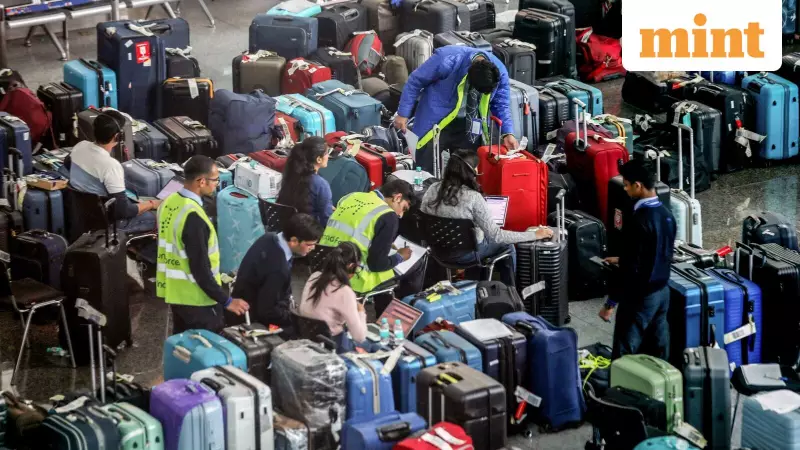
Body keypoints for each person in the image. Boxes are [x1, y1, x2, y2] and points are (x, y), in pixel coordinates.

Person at [421, 150, 553, 286]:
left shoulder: (432, 189)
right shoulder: (473, 197)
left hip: (438, 252)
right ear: (471, 171)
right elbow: (497, 236)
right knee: (506, 245)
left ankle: (474, 283)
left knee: (477, 238)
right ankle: (511, 292)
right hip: (467, 255)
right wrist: (534, 235)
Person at [157, 156, 249, 334]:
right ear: (201, 181)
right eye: (215, 180)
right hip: (198, 299)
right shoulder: (194, 217)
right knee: (207, 351)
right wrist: (227, 301)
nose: (216, 184)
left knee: (183, 351)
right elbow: (201, 270)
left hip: (176, 294)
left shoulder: (168, 202)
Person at [394, 45, 518, 174]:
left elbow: (501, 104)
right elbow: (415, 81)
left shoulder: (499, 72)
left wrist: (508, 132)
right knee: (423, 167)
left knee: (466, 170)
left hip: (468, 124)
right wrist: (403, 113)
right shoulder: (446, 59)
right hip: (436, 120)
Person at [600, 159, 676, 360]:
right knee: (660, 346)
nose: (625, 189)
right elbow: (657, 252)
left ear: (638, 185)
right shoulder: (667, 215)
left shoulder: (638, 220)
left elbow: (631, 269)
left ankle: (619, 389)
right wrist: (623, 257)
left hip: (640, 295)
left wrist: (610, 303)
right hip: (663, 291)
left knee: (624, 349)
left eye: (626, 185)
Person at [320, 179, 422, 316]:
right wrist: (400, 257)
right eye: (403, 208)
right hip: (353, 274)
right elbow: (376, 265)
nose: (401, 215)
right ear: (397, 198)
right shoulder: (388, 216)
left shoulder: (352, 196)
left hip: (324, 262)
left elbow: (353, 231)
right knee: (415, 264)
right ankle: (395, 318)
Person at [233, 213, 323, 336]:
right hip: (251, 316)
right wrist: (294, 319)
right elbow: (267, 311)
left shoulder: (269, 238)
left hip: (246, 298)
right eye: (309, 244)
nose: (313, 248)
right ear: (294, 241)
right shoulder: (278, 269)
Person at [69, 110, 158, 233]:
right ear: (118, 136)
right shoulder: (111, 166)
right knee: (159, 216)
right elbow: (123, 211)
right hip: (109, 223)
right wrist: (152, 204)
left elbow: (68, 165)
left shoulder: (79, 146)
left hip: (84, 218)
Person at [298, 242, 373, 353]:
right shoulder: (344, 291)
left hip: (307, 338)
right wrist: (361, 312)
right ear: (351, 266)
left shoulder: (314, 277)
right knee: (373, 346)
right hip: (332, 345)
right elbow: (359, 337)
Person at [276, 136, 333, 226]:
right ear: (318, 159)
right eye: (327, 153)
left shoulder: (292, 174)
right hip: (307, 233)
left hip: (287, 229)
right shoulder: (321, 184)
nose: (328, 156)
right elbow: (327, 219)